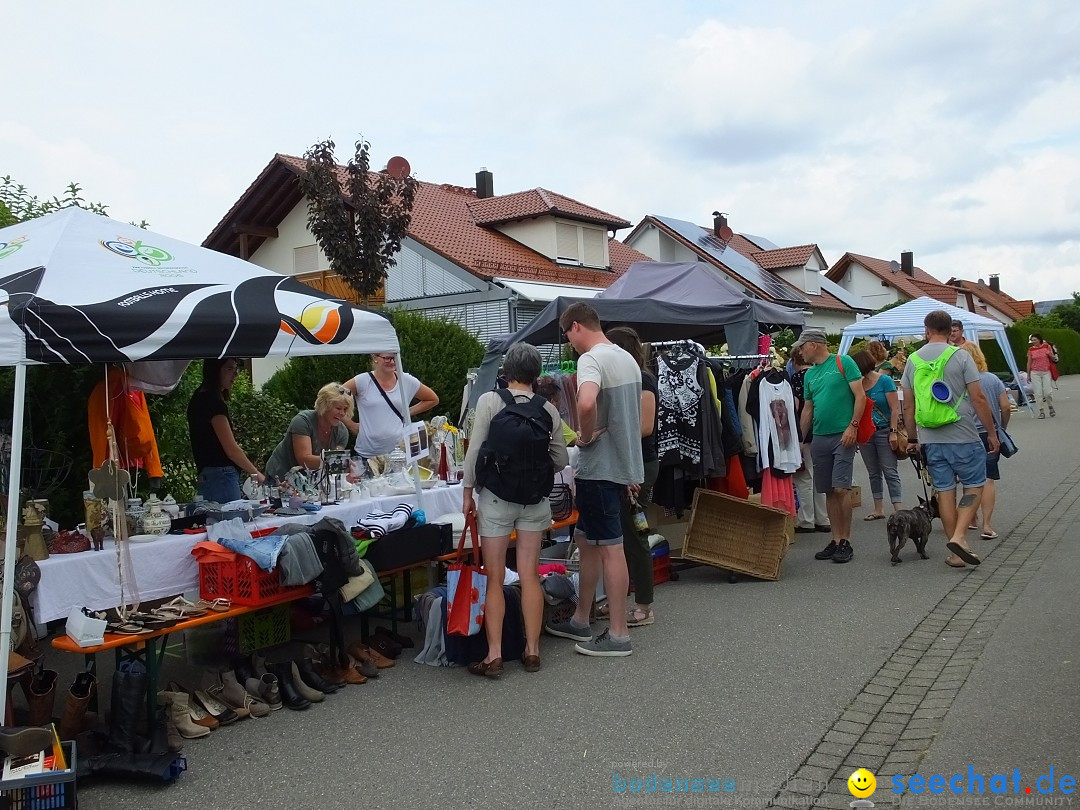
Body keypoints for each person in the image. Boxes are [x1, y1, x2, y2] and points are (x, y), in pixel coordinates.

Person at [462, 343, 569, 677]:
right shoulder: (547, 409)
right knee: (530, 575)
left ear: (506, 371)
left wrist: (468, 493)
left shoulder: (490, 401)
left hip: (496, 499)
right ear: (536, 374)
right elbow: (562, 459)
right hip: (534, 501)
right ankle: (533, 651)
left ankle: (494, 655)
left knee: (495, 577)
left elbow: (475, 451)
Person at [545, 302, 643, 657]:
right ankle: (580, 619)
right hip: (618, 466)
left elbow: (586, 404)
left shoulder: (591, 359)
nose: (571, 345)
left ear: (575, 327)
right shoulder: (626, 357)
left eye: (568, 336)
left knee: (610, 549)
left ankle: (618, 634)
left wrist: (584, 437)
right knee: (586, 541)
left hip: (599, 467)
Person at [902, 310, 999, 569]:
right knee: (974, 486)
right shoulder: (961, 356)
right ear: (950, 330)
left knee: (944, 492)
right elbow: (978, 399)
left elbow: (908, 407)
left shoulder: (912, 360)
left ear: (927, 329)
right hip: (964, 435)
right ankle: (959, 536)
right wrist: (991, 432)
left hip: (931, 439)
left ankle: (956, 554)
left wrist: (912, 438)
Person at [795, 327, 866, 564]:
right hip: (820, 437)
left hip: (843, 434)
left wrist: (853, 426)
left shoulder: (843, 362)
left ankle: (846, 540)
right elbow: (808, 408)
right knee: (827, 490)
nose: (800, 352)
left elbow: (860, 395)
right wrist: (800, 439)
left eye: (802, 347)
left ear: (813, 344)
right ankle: (836, 540)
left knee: (840, 488)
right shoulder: (809, 375)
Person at [604, 326, 658, 627]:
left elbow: (645, 426)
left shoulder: (644, 379)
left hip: (639, 465)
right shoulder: (628, 379)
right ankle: (618, 600)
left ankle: (644, 605)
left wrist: (610, 433)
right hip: (627, 465)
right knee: (621, 537)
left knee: (635, 536)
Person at [187, 358, 266, 502]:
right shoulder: (213, 403)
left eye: (236, 369)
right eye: (229, 369)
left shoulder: (198, 398)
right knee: (230, 522)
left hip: (208, 475)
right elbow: (231, 450)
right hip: (221, 476)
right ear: (214, 370)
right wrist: (256, 474)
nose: (235, 374)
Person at [958, 342, 1011, 541]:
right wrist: (1000, 429)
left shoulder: (959, 381)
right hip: (988, 433)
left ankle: (970, 518)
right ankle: (987, 525)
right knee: (988, 479)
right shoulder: (992, 379)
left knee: (968, 478)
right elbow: (1005, 407)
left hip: (964, 434)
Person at [342, 353, 439, 459]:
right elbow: (332, 398)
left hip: (398, 455)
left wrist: (407, 412)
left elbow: (432, 399)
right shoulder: (362, 381)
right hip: (366, 454)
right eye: (387, 358)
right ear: (375, 358)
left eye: (394, 358)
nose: (392, 362)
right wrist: (350, 424)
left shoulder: (406, 380)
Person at [265, 383, 354, 482]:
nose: (342, 413)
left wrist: (344, 474)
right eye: (338, 408)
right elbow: (304, 460)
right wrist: (339, 462)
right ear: (324, 406)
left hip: (310, 482)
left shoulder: (342, 432)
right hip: (280, 478)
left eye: (345, 409)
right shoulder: (303, 421)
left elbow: (335, 464)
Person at [851, 350, 903, 520]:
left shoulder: (885, 381)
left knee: (890, 470)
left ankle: (898, 508)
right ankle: (878, 508)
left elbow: (894, 409)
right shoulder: (857, 384)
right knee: (873, 472)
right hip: (866, 433)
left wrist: (893, 432)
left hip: (883, 430)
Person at [789, 345, 830, 534]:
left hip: (804, 431)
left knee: (804, 477)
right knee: (818, 476)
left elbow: (797, 407)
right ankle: (823, 518)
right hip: (821, 429)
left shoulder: (796, 379)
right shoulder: (820, 374)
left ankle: (806, 520)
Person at [536, 379, 577, 446]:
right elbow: (575, 440)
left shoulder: (533, 416)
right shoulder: (555, 421)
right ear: (552, 401)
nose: (560, 404)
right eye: (559, 400)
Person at [1026, 333, 1057, 418]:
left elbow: (1053, 357)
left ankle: (1050, 406)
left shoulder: (1046, 346)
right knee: (1038, 393)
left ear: (1039, 340)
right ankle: (1041, 411)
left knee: (1047, 393)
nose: (1033, 341)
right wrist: (1028, 374)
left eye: (1035, 340)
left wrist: (1051, 355)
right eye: (1032, 340)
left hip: (1046, 372)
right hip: (1035, 373)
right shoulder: (1031, 349)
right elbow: (1029, 362)